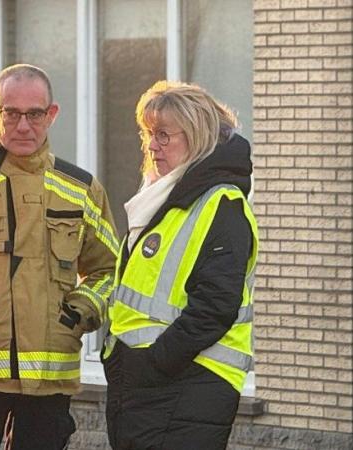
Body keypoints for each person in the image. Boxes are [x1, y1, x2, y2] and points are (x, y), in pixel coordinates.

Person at [0, 63, 119, 450]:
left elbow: (109, 269)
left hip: (51, 377)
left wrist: (79, 312)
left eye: (35, 114)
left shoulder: (82, 188)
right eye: (11, 113)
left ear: (52, 114)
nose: (23, 125)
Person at [103, 81, 259, 450]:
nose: (151, 146)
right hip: (152, 386)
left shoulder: (221, 203)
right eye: (147, 134)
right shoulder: (165, 199)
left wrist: (154, 364)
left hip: (188, 385)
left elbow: (215, 307)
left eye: (162, 135)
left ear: (196, 136)